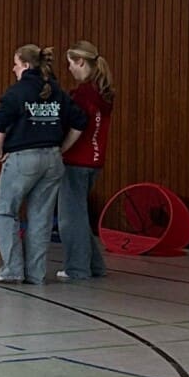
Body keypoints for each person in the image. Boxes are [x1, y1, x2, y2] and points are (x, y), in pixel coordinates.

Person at [0, 46, 85, 286]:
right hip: (52, 159)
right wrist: (62, 148)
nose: (13, 68)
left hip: (23, 158)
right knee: (40, 217)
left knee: (6, 211)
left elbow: (0, 123)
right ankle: (36, 273)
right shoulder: (55, 90)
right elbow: (79, 121)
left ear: (25, 64)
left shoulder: (16, 92)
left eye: (15, 63)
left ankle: (12, 269)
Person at [56, 41, 115, 281]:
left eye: (70, 63)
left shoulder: (83, 94)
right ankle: (95, 266)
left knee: (70, 218)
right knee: (79, 214)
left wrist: (61, 149)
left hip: (77, 161)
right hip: (95, 161)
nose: (69, 69)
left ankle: (77, 268)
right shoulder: (103, 93)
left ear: (80, 61)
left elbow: (77, 127)